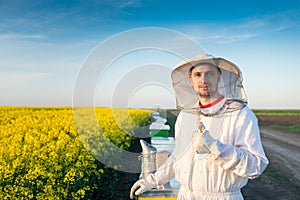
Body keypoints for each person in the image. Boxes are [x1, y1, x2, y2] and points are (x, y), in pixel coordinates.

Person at [130, 54, 269, 200]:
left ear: (219, 77)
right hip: (186, 195)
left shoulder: (240, 114)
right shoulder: (185, 115)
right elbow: (178, 158)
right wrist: (152, 181)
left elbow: (256, 166)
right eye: (197, 74)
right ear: (190, 80)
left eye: (210, 74)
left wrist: (216, 148)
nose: (203, 80)